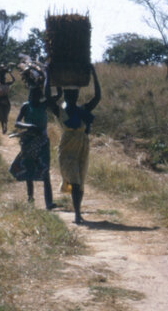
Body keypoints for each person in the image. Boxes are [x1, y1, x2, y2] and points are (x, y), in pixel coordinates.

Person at [54, 67, 101, 225]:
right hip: (67, 149)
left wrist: (94, 75)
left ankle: (78, 211)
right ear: (65, 96)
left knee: (79, 182)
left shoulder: (83, 110)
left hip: (82, 147)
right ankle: (77, 214)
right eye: (69, 94)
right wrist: (51, 78)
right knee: (74, 181)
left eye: (75, 94)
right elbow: (48, 97)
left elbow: (97, 97)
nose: (72, 96)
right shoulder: (60, 110)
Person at [9, 70, 55, 209]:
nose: (33, 97)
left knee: (45, 170)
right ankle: (30, 199)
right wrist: (29, 126)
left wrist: (49, 77)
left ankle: (49, 203)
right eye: (31, 94)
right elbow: (17, 123)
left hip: (42, 141)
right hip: (28, 141)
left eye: (36, 94)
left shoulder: (43, 104)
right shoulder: (26, 106)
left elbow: (56, 95)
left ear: (40, 95)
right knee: (29, 170)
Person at [0, 63, 15, 134]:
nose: (3, 79)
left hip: (1, 100)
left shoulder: (0, 84)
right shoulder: (5, 84)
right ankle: (4, 126)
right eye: (3, 78)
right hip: (5, 100)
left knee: (1, 114)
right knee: (4, 114)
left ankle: (4, 127)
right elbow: (13, 80)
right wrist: (10, 73)